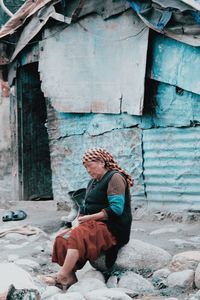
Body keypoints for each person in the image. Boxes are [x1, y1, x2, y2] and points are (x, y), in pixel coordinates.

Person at [40, 148, 133, 290]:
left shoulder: (115, 178)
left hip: (113, 226)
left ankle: (62, 275)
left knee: (77, 236)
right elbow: (86, 206)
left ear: (101, 162)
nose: (88, 170)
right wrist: (79, 219)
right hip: (94, 223)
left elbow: (116, 209)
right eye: (86, 167)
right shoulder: (92, 182)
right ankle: (70, 277)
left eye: (90, 166)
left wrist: (90, 217)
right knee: (62, 238)